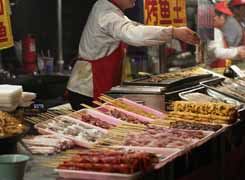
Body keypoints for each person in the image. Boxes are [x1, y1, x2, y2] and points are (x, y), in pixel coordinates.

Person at [67, 0, 200, 110]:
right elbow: (132, 34)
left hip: (96, 85)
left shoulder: (113, 11)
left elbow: (135, 27)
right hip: (87, 90)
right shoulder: (106, 12)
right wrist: (173, 32)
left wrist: (171, 33)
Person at [206, 1, 245, 68]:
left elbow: (223, 49)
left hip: (219, 66)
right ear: (217, 17)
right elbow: (216, 52)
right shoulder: (214, 31)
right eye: (225, 17)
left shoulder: (216, 31)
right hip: (213, 68)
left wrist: (238, 50)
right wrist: (237, 51)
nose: (226, 21)